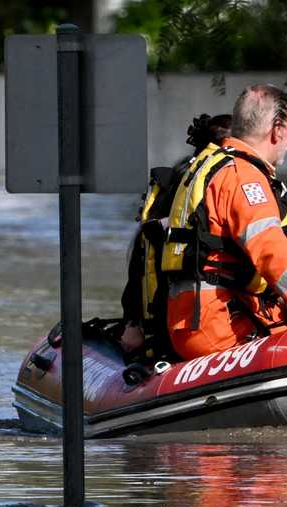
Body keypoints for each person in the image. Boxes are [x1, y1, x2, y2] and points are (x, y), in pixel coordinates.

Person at [163, 84, 287, 360]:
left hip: (191, 320)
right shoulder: (243, 176)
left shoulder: (211, 163)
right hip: (219, 328)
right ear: (278, 129)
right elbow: (267, 243)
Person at [119, 113, 232, 357]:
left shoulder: (220, 184)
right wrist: (133, 323)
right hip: (178, 322)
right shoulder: (184, 187)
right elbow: (143, 260)